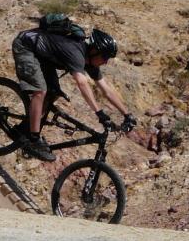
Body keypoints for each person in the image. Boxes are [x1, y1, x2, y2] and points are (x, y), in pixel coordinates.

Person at [12, 22, 137, 161]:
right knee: (40, 90)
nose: (106, 62)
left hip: (42, 57)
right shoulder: (76, 53)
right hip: (25, 46)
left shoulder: (90, 60)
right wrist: (99, 113)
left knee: (53, 92)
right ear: (95, 51)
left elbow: (106, 90)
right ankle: (33, 139)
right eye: (105, 57)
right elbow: (82, 83)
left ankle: (24, 130)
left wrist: (127, 114)